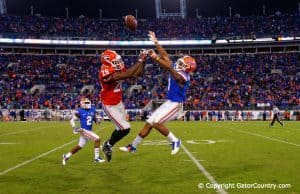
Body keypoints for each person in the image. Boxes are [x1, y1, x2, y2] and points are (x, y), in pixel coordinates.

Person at [120, 31, 196, 155]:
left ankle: (175, 140)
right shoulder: (177, 70)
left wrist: (155, 57)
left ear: (187, 68)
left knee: (156, 123)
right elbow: (165, 56)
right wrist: (156, 42)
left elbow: (171, 71)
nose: (180, 63)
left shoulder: (183, 77)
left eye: (182, 63)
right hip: (169, 102)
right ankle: (133, 146)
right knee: (149, 123)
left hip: (176, 105)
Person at [99, 49, 148, 161]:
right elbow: (129, 73)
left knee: (120, 128)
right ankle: (108, 144)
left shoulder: (114, 67)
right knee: (125, 128)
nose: (119, 63)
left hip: (118, 102)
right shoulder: (105, 72)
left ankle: (108, 145)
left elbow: (137, 74)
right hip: (109, 105)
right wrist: (140, 59)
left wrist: (143, 61)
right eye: (115, 61)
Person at [62, 98, 105, 165]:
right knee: (97, 139)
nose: (88, 104)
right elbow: (72, 120)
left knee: (79, 146)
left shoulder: (92, 109)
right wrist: (74, 127)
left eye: (88, 102)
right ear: (82, 104)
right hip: (83, 130)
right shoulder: (80, 111)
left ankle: (66, 156)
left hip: (88, 131)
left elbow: (95, 120)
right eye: (86, 103)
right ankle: (96, 158)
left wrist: (98, 121)